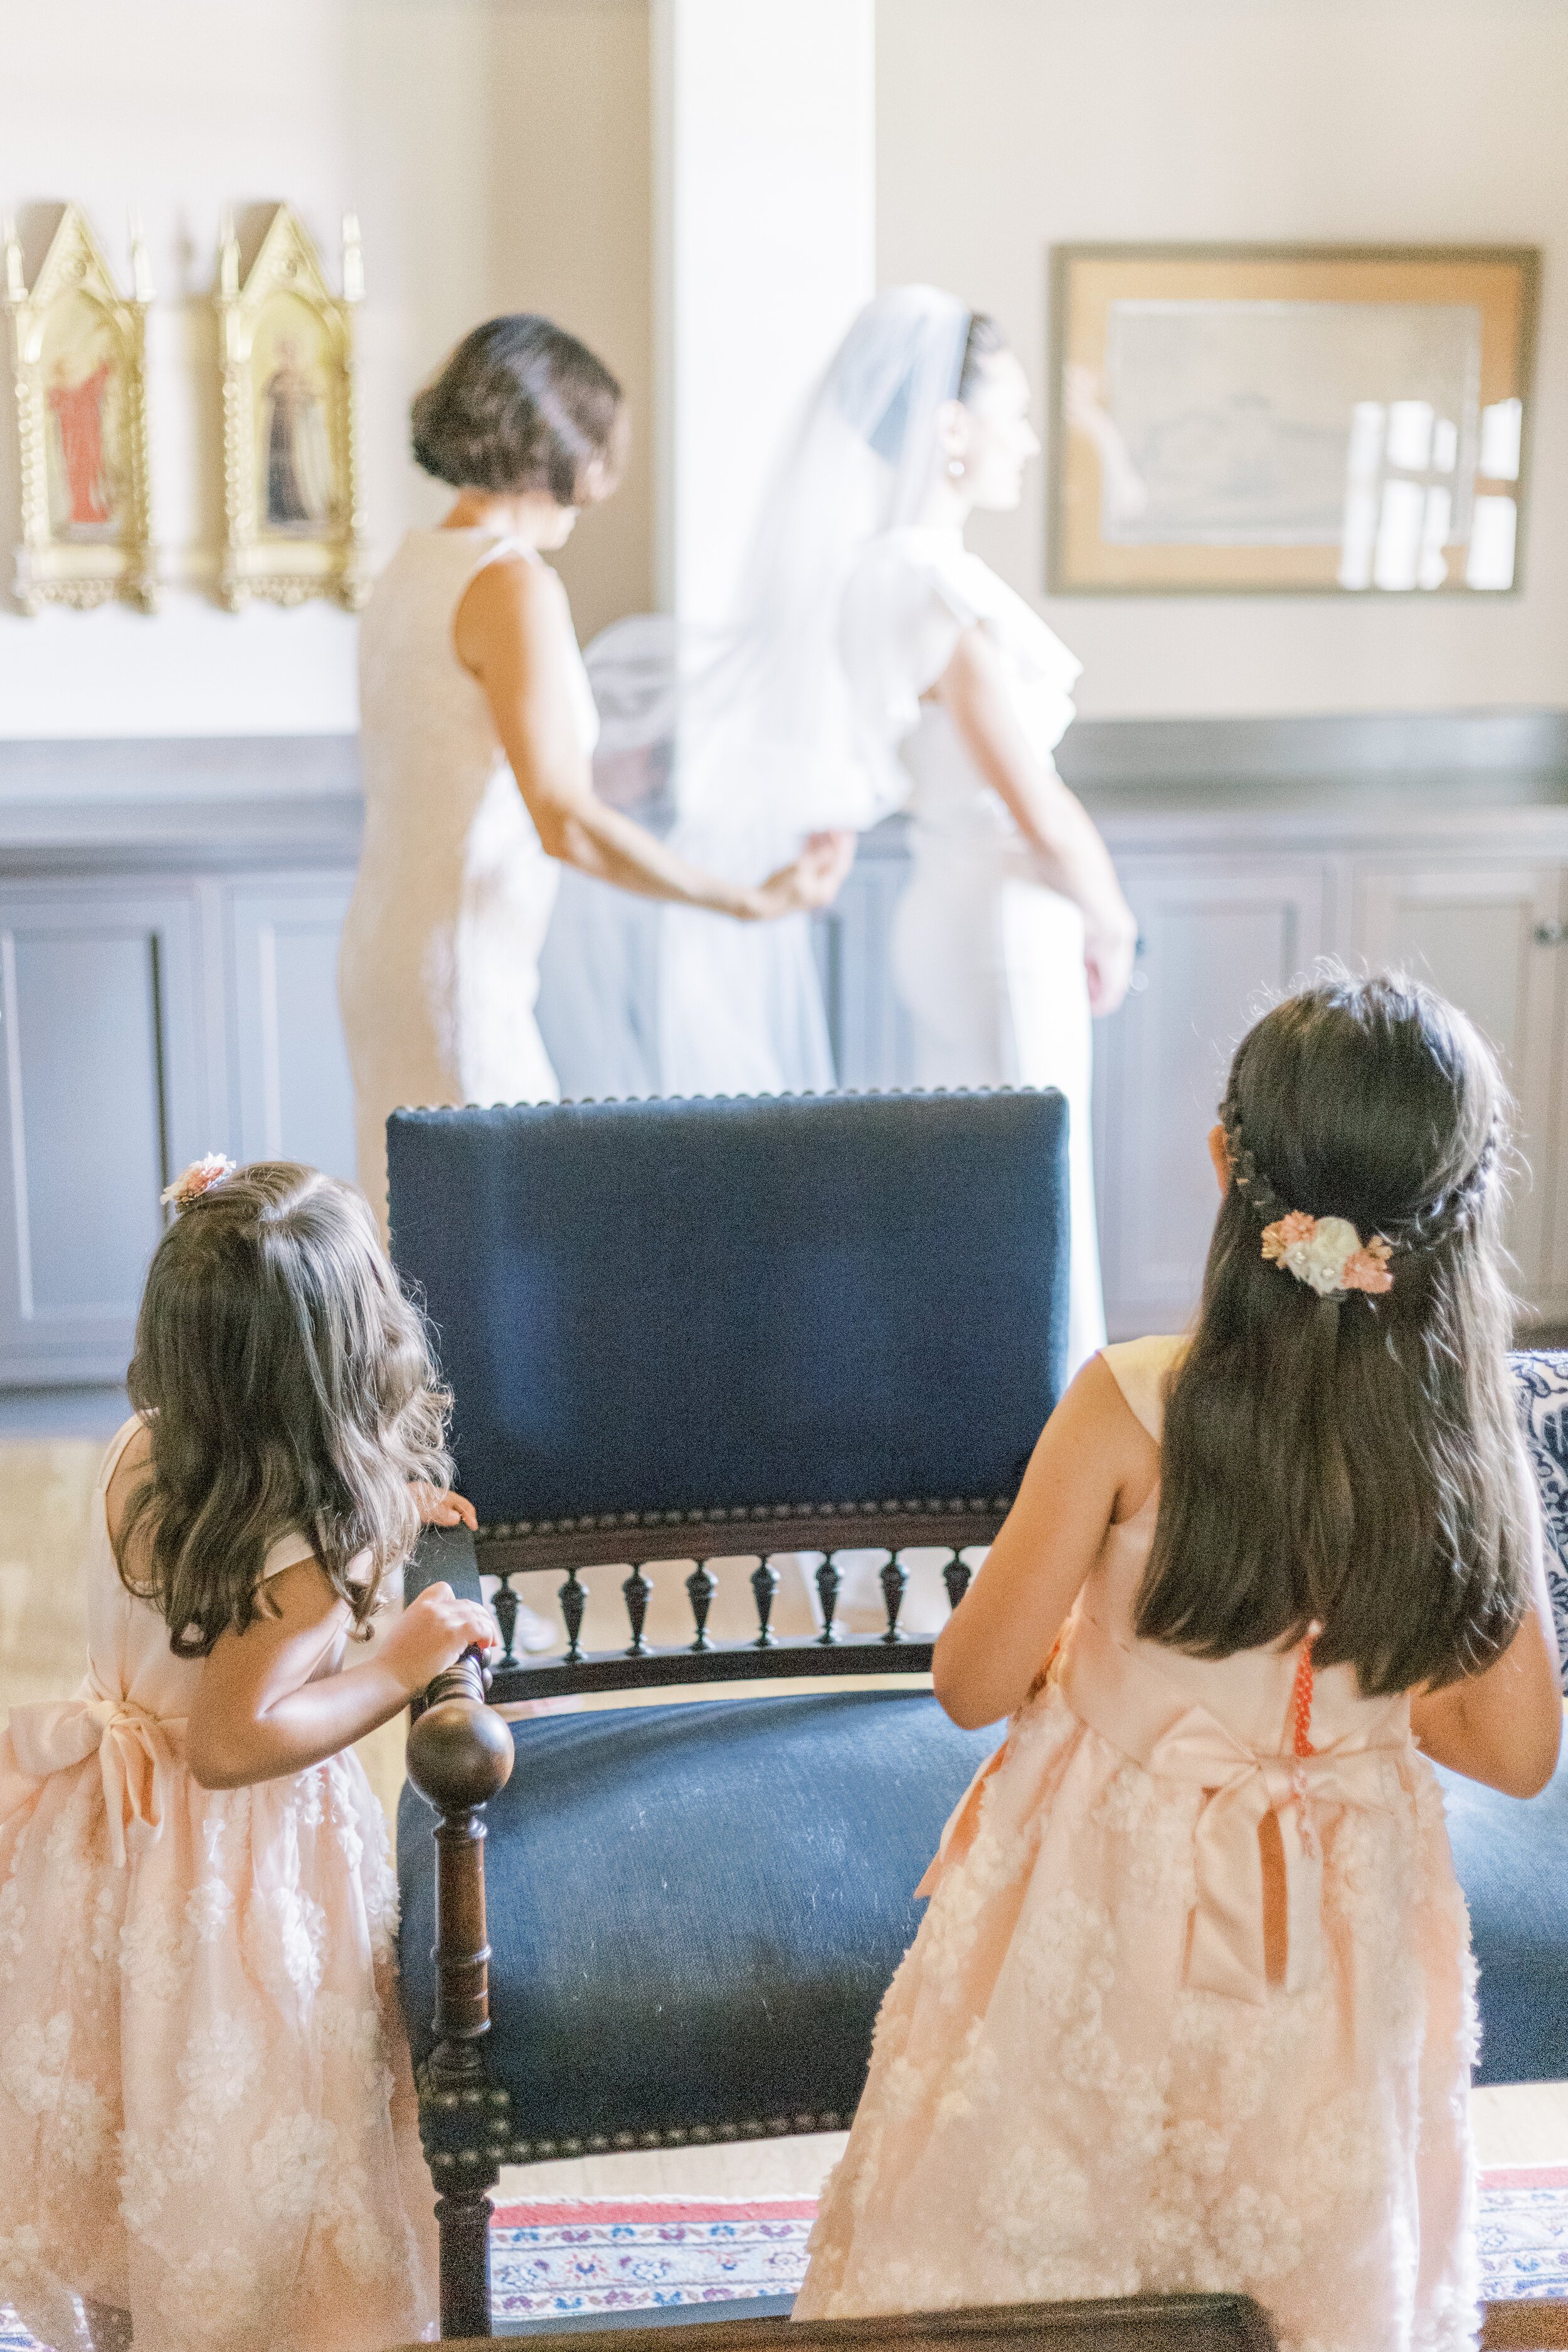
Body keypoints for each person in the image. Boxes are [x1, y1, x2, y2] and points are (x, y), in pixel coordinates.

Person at [794, 972, 1563, 2351]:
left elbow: (971, 1681)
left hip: (1100, 1873)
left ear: (1224, 1167)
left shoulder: (1125, 1402)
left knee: (1053, 2202)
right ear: (1458, 1217)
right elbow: (1512, 1752)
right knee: (1303, 2233)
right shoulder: (1468, 1446)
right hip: (1346, 1906)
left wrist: (1091, 1657)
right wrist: (1353, 1710)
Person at [575, 290, 1133, 1371]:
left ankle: (992, 1461)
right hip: (1003, 924)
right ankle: (1051, 1467)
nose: (1026, 435)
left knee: (986, 1210)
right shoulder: (929, 580)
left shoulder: (877, 574)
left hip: (952, 912)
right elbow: (1032, 797)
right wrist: (1112, 919)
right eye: (1011, 408)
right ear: (950, 426)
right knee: (1037, 1214)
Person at [0, 1155, 499, 2352]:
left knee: (138, 2106)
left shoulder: (144, 1449)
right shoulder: (303, 1554)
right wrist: (397, 1658)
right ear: (334, 1371)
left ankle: (137, 2321)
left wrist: (381, 1523)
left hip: (114, 1853)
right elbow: (232, 1739)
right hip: (233, 1876)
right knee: (244, 2124)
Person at [340, 314, 850, 1239]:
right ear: (560, 443)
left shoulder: (414, 567)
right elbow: (562, 821)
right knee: (497, 1241)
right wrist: (745, 900)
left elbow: (458, 756)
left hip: (386, 946)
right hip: (463, 962)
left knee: (418, 1237)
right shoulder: (510, 583)